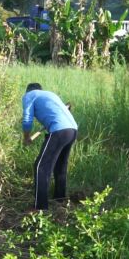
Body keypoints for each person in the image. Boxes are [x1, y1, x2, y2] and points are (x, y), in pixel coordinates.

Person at [22, 83, 78, 211]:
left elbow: (27, 119)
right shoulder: (50, 95)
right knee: (60, 166)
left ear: (28, 91)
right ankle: (60, 200)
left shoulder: (29, 95)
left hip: (59, 131)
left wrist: (26, 137)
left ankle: (40, 207)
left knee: (40, 167)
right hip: (73, 130)